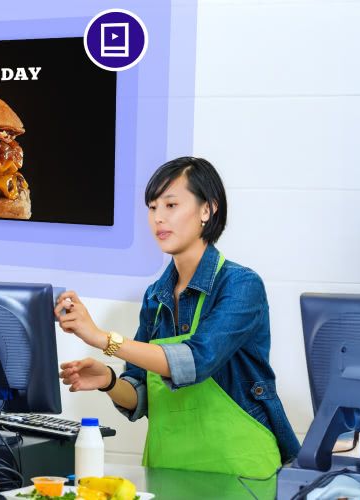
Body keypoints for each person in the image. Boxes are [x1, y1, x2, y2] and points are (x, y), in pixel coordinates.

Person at [56, 157, 300, 478]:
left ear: (206, 210)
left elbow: (194, 361)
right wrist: (110, 381)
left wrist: (102, 339)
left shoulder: (241, 285)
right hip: (168, 470)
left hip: (241, 473)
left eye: (171, 205)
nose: (159, 218)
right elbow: (140, 396)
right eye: (153, 207)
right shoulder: (156, 295)